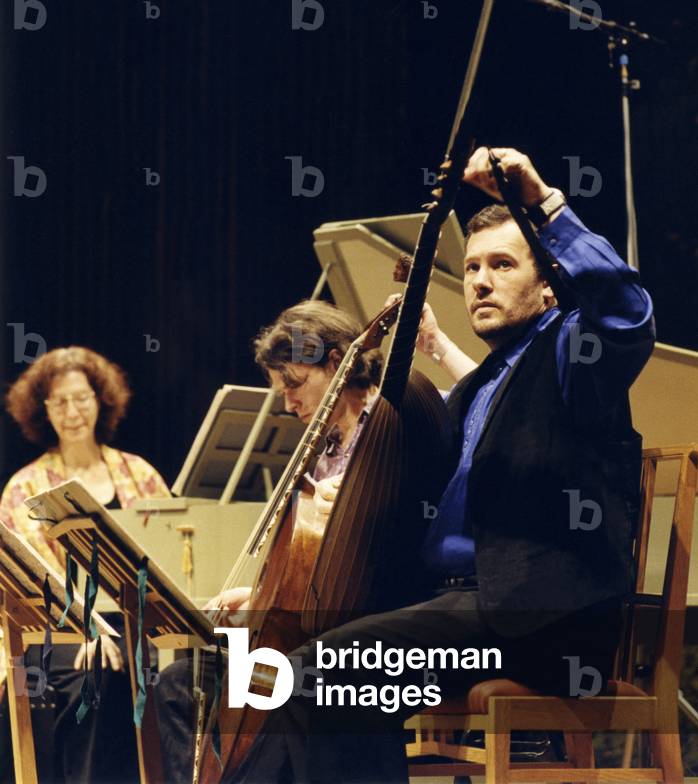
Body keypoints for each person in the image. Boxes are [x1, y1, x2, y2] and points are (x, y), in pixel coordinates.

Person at [229, 146, 655, 784]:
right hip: (456, 612)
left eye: (502, 265)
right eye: (472, 266)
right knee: (271, 681)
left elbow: (627, 315)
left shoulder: (571, 356)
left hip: (534, 623)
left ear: (549, 284)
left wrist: (544, 203)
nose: (478, 281)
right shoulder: (480, 386)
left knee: (318, 677)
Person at [156, 300, 392, 780]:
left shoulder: (389, 428)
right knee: (180, 683)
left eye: (295, 385)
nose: (288, 404)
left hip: (360, 625)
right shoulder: (322, 450)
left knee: (271, 692)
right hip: (303, 626)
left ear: (336, 363)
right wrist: (261, 596)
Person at [0, 346, 171, 784]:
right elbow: (38, 578)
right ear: (44, 410)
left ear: (100, 400)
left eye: (81, 398)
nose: (72, 412)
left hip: (136, 623)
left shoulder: (139, 473)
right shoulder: (25, 487)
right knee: (99, 675)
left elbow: (167, 559)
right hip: (59, 628)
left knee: (181, 674)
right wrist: (90, 625)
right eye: (59, 402)